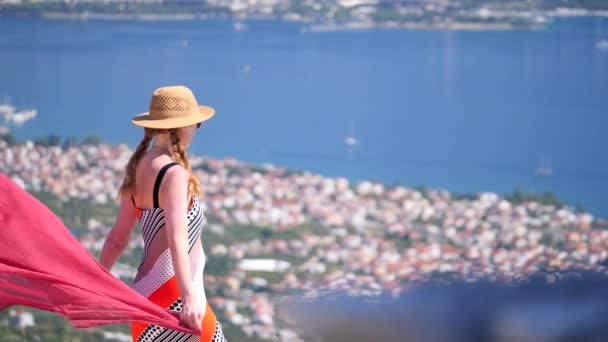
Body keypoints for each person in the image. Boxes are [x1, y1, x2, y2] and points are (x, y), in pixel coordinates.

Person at [99, 85, 227, 342]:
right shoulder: (175, 174)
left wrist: (95, 279)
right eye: (195, 125)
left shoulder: (136, 167)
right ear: (181, 127)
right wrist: (189, 297)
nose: (195, 131)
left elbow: (117, 239)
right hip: (177, 295)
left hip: (144, 296)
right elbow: (177, 240)